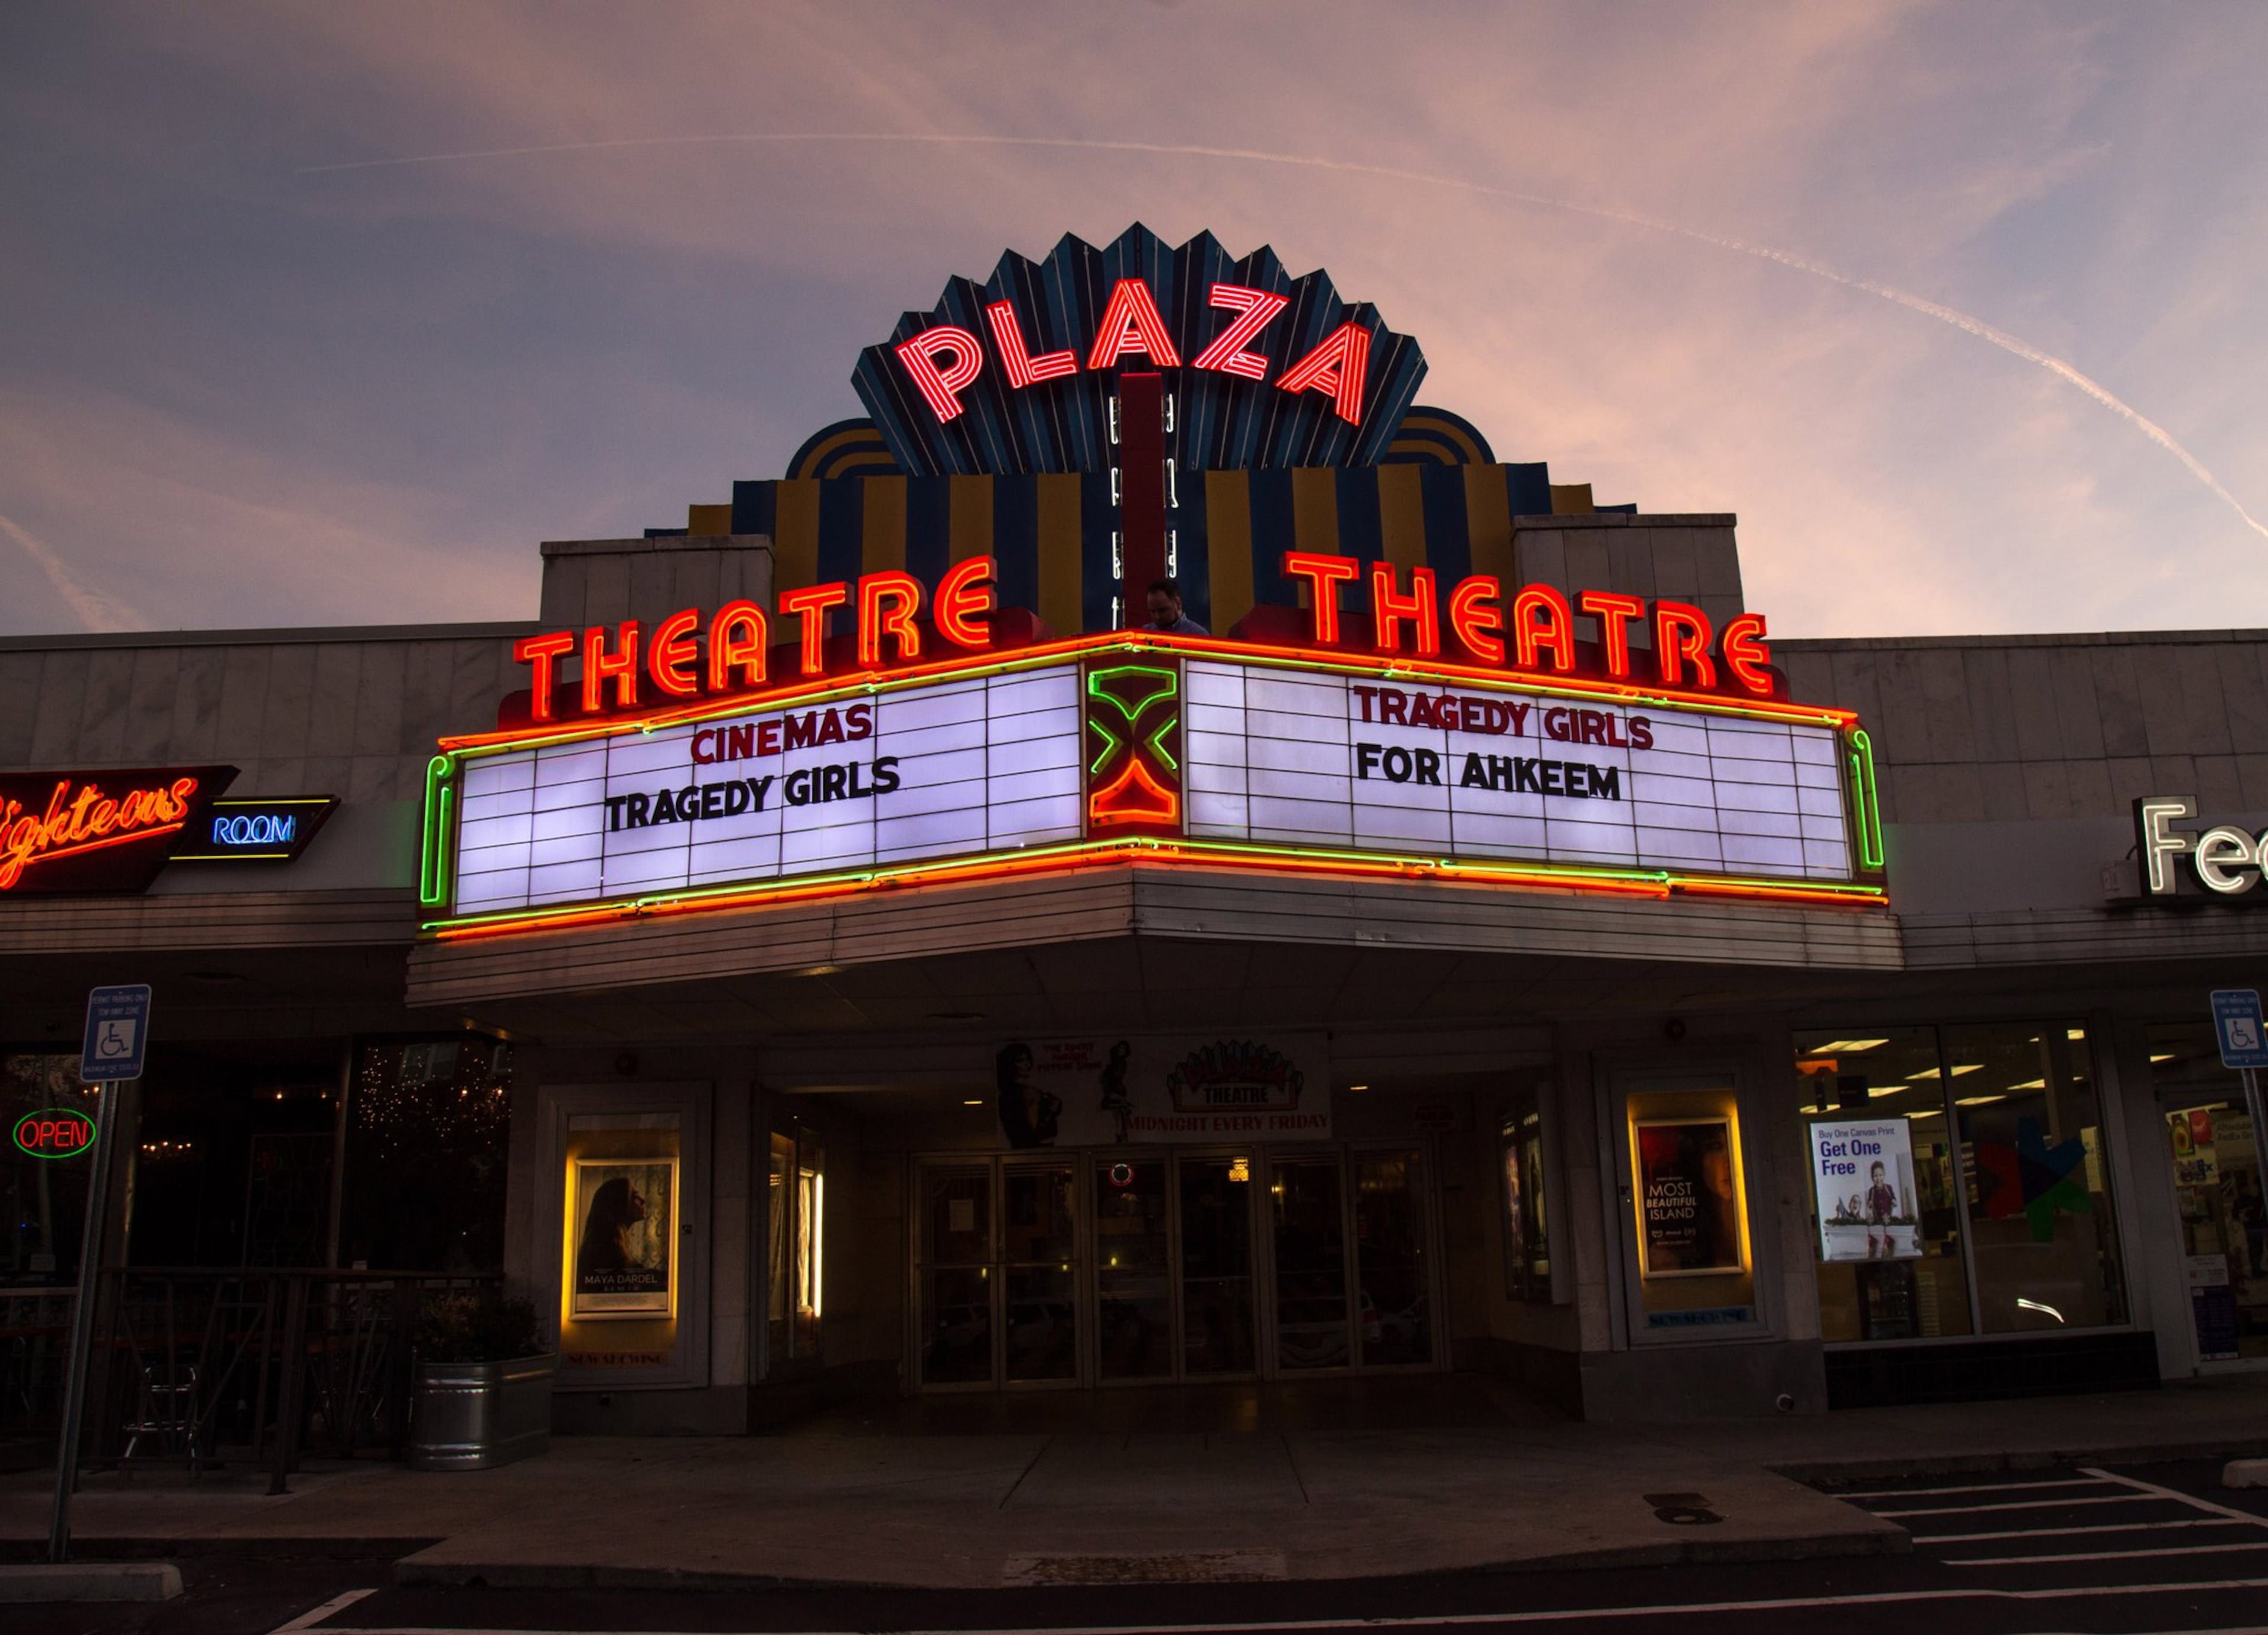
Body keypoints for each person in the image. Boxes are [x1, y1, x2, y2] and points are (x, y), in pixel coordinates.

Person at [995, 1041, 1063, 1148]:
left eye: (1028, 1059)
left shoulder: (1034, 1091)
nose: (1027, 1064)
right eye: (1021, 1061)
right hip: (1034, 1153)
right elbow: (1029, 1134)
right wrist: (1049, 1114)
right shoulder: (1013, 1096)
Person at [578, 1176, 647, 1277]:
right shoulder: (606, 1252)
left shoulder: (616, 1247)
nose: (643, 1200)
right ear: (618, 1204)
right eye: (634, 1196)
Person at [1144, 578, 1208, 635]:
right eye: (1153, 612)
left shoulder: (1197, 635)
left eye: (1162, 611)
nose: (1157, 617)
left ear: (1178, 604)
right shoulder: (1145, 633)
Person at [1865, 1159, 1898, 1259]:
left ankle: (1888, 1254)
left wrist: (1894, 1201)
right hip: (1877, 1221)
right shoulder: (1872, 1190)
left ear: (1884, 1175)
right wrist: (1869, 1204)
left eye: (1880, 1175)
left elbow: (1894, 1199)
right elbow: (1869, 1203)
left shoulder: (1889, 1188)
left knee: (1889, 1240)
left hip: (1888, 1220)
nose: (1878, 1179)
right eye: (1875, 1176)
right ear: (1872, 1177)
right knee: (1878, 1241)